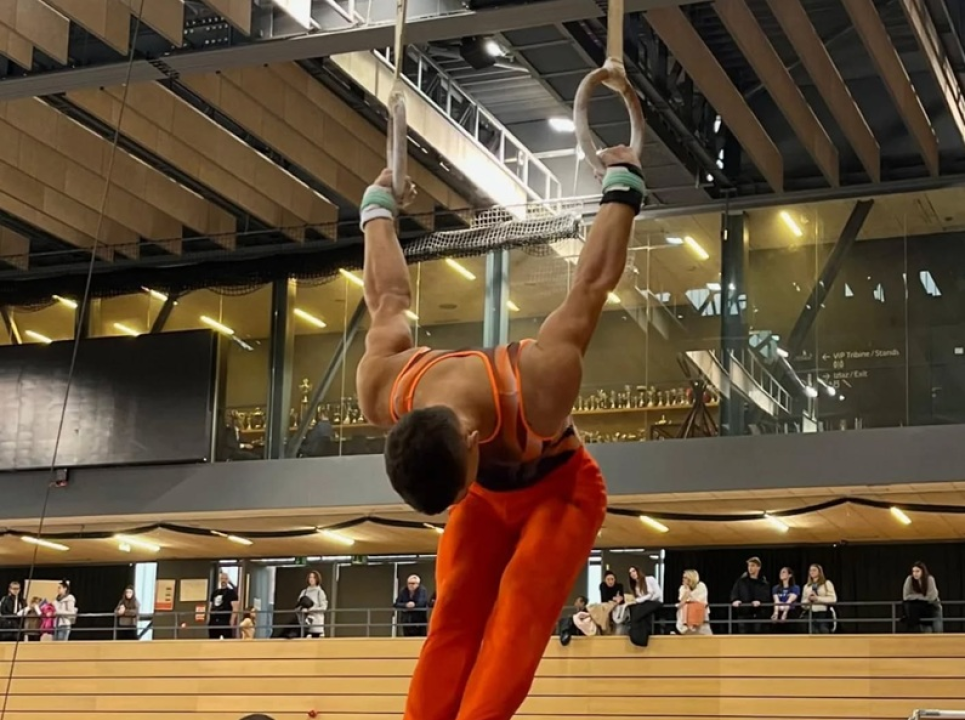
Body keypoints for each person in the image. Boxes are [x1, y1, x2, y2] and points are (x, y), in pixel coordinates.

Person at [355, 146, 642, 720]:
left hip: (560, 490)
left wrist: (622, 190)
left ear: (468, 439)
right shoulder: (383, 388)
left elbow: (590, 286)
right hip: (494, 499)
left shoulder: (538, 383)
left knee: (518, 615)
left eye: (456, 490)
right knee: (452, 618)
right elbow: (386, 296)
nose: (455, 499)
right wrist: (377, 208)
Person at [730, 556, 770, 634]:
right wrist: (735, 600)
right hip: (743, 613)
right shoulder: (741, 581)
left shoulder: (763, 583)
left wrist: (760, 601)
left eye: (752, 565)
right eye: (749, 565)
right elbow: (734, 592)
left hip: (758, 614)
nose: (750, 568)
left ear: (758, 567)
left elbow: (766, 596)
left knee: (757, 635)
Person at [903, 561, 942, 633]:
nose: (915, 573)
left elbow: (931, 597)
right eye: (913, 571)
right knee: (926, 631)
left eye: (917, 571)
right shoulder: (909, 579)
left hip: (933, 606)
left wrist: (915, 597)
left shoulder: (930, 579)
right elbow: (906, 597)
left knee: (938, 630)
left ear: (923, 571)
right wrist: (922, 597)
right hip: (921, 608)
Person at [801, 564, 837, 634]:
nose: (812, 572)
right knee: (813, 632)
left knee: (823, 630)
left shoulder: (827, 583)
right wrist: (808, 600)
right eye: (810, 570)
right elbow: (802, 604)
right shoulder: (806, 586)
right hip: (811, 613)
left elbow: (833, 599)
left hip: (824, 613)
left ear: (819, 572)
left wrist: (817, 598)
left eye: (814, 570)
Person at [208, 572, 239, 640]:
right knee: (212, 640)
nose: (223, 580)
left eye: (225, 579)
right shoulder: (215, 593)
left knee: (227, 641)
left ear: (228, 580)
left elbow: (235, 608)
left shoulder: (231, 593)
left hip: (225, 620)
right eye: (222, 578)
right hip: (214, 621)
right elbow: (210, 606)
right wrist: (208, 618)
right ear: (219, 580)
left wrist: (232, 620)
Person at [297, 571, 328, 638]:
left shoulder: (320, 592)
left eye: (314, 577)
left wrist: (310, 610)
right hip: (305, 625)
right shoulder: (304, 592)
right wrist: (302, 609)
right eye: (310, 577)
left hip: (317, 625)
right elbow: (298, 606)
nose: (311, 579)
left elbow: (324, 607)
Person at [770, 567, 800, 633]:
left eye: (784, 572)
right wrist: (776, 613)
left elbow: (789, 601)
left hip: (791, 613)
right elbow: (776, 601)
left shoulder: (795, 587)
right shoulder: (776, 588)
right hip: (779, 610)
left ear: (790, 575)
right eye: (780, 572)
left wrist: (785, 613)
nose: (781, 574)